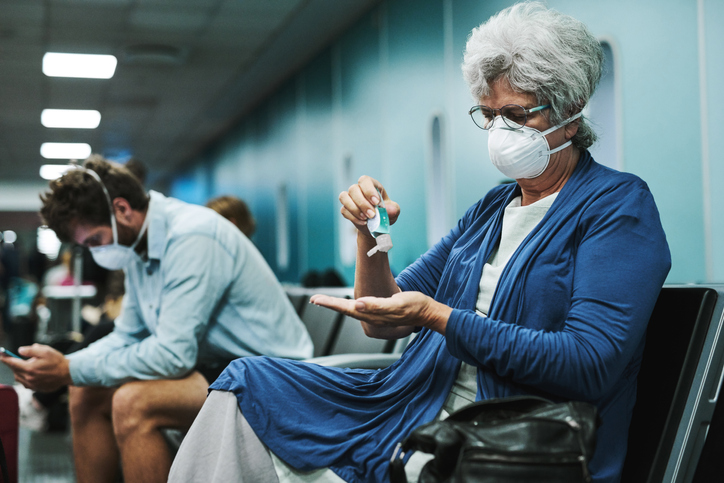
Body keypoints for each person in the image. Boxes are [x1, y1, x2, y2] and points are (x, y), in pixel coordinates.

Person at [169, 3, 670, 483]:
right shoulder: (491, 210)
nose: (500, 132)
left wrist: (440, 318)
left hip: (513, 439)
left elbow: (589, 363)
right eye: (489, 114)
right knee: (245, 385)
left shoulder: (618, 207)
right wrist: (370, 234)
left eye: (517, 115)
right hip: (417, 403)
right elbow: (380, 317)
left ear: (572, 108)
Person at [0, 156, 313, 483]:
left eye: (94, 240)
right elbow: (127, 334)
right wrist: (66, 364)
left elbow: (173, 356)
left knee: (134, 403)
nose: (95, 252)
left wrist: (70, 369)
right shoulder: (140, 246)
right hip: (221, 366)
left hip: (275, 377)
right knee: (84, 391)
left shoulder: (193, 236)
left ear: (122, 210)